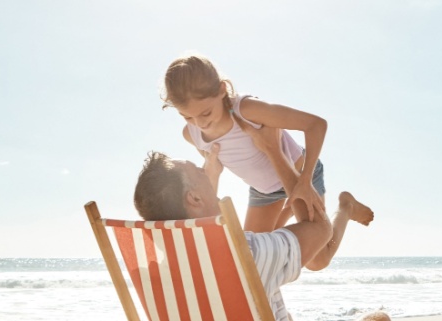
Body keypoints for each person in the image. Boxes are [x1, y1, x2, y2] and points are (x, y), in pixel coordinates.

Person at [132, 120, 372, 321]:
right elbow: (320, 228)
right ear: (193, 198)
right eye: (200, 170)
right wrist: (274, 151)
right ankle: (344, 207)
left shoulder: (154, 277)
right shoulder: (246, 255)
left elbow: (201, 234)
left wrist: (211, 177)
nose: (206, 171)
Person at [161, 53, 373, 233]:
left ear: (222, 89)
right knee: (251, 256)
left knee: (318, 259)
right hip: (264, 191)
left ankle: (345, 207)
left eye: (206, 112)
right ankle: (288, 210)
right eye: (187, 117)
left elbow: (316, 125)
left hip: (298, 175)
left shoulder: (247, 110)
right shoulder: (192, 134)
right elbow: (214, 169)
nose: (200, 123)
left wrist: (305, 180)